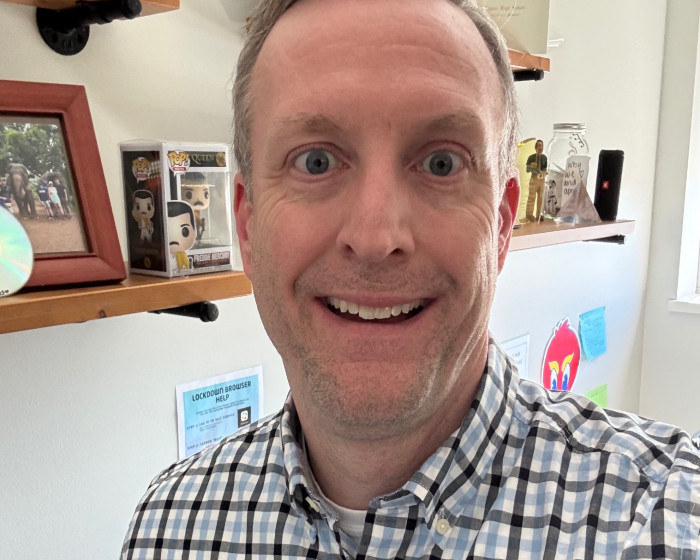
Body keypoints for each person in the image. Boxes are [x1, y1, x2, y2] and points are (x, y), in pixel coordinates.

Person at [121, 1, 700, 558]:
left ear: (501, 225)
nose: (375, 236)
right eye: (316, 161)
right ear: (247, 227)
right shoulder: (169, 528)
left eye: (441, 163)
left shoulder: (668, 521)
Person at [525, 139, 547, 222]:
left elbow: (545, 168)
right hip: (534, 179)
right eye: (539, 146)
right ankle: (529, 214)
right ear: (536, 147)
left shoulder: (544, 157)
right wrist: (532, 167)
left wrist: (544, 173)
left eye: (542, 146)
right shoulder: (531, 157)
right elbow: (527, 169)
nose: (540, 148)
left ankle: (539, 215)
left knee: (541, 198)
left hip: (541, 180)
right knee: (531, 197)